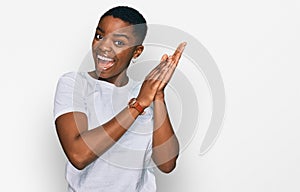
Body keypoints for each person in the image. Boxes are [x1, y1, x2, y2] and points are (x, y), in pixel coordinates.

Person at [54, 5, 186, 192]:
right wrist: (138, 105)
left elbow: (167, 164)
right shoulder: (75, 83)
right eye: (100, 36)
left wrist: (157, 96)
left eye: (119, 43)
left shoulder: (145, 93)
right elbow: (78, 155)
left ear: (137, 52)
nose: (104, 46)